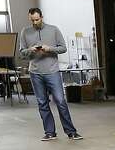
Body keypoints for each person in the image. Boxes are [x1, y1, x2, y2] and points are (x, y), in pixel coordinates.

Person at [19, 8, 83, 141]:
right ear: (29, 18)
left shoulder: (53, 30)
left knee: (60, 100)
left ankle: (71, 131)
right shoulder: (25, 32)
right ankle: (50, 132)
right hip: (35, 72)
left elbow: (63, 48)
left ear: (42, 17)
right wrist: (30, 50)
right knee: (42, 102)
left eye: (37, 19)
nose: (35, 22)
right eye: (32, 20)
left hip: (52, 71)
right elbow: (21, 52)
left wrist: (50, 49)